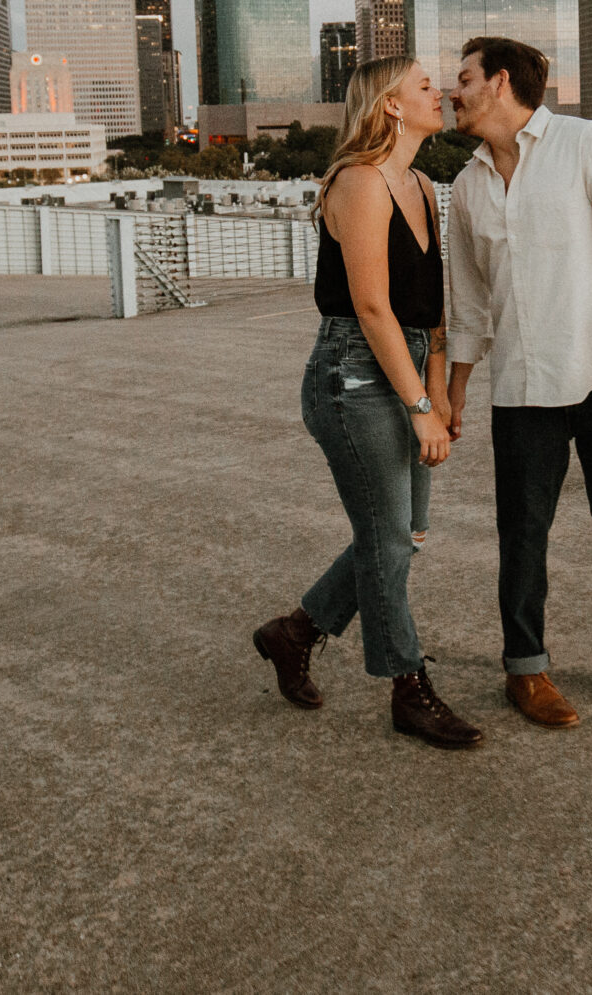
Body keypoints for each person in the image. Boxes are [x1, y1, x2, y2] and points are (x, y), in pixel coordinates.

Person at [443, 35, 592, 728]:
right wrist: (457, 388)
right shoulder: (466, 186)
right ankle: (527, 669)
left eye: (462, 77)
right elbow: (469, 303)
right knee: (521, 533)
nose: (452, 90)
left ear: (501, 82)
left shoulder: (588, 143)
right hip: (521, 385)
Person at [251, 56, 484, 750]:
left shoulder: (422, 185)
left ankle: (294, 632)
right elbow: (372, 304)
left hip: (407, 365)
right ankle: (407, 687)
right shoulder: (359, 182)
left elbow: (430, 311)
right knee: (385, 536)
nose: (437, 92)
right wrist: (417, 405)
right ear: (388, 105)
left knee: (403, 532)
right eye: (421, 85)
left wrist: (439, 392)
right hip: (352, 374)